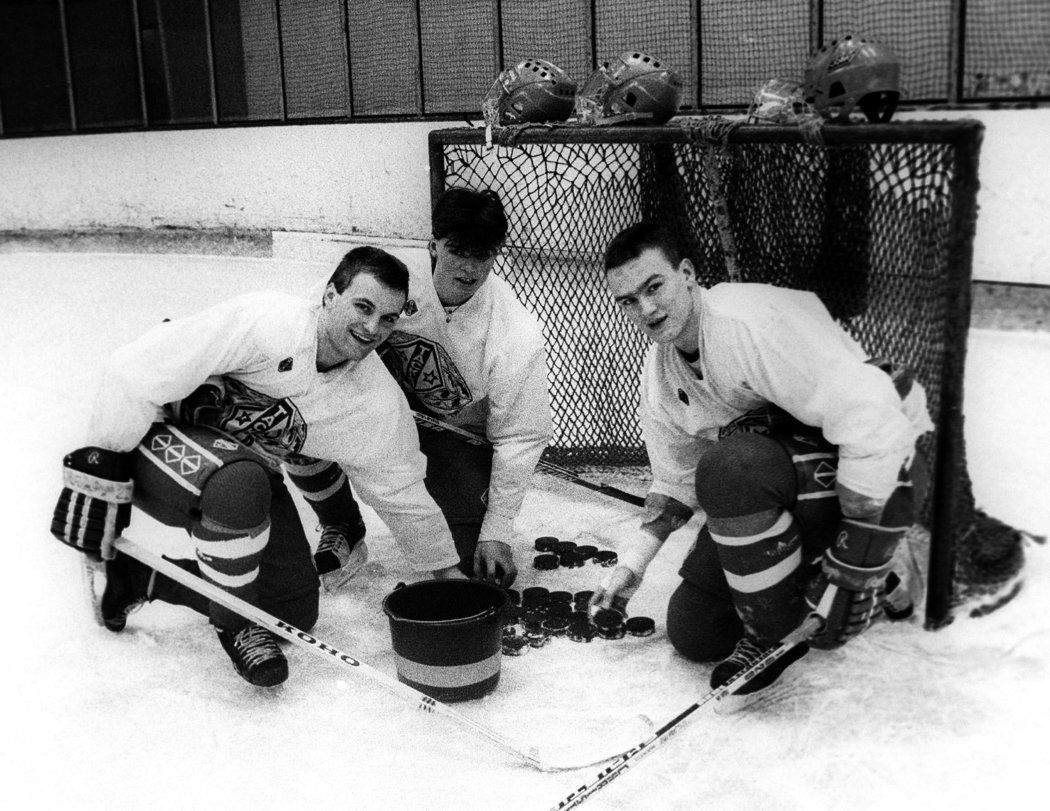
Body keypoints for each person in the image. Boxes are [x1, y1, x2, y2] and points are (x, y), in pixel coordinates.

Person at [50, 246, 465, 688]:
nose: (371, 328)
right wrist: (101, 473)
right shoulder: (268, 323)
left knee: (291, 612)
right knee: (241, 483)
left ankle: (139, 577)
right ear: (329, 295)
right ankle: (235, 624)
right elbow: (134, 371)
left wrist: (446, 570)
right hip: (146, 432)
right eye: (362, 307)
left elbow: (400, 486)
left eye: (387, 318)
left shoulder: (373, 403)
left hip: (239, 464)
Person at [592, 222, 932, 703]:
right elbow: (675, 479)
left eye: (654, 287)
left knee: (731, 470)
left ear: (686, 273)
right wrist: (632, 566)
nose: (645, 309)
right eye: (628, 300)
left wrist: (857, 556)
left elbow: (872, 411)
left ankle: (794, 620)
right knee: (695, 632)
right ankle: (817, 574)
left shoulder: (750, 323)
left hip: (885, 463)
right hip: (789, 480)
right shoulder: (661, 372)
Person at [293, 187, 552, 589]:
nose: (468, 268)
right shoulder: (395, 278)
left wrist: (497, 530)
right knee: (293, 420)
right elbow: (319, 320)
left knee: (464, 565)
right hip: (374, 411)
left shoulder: (516, 332)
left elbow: (520, 434)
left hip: (453, 439)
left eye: (482, 255)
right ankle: (341, 522)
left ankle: (463, 510)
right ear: (434, 245)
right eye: (457, 251)